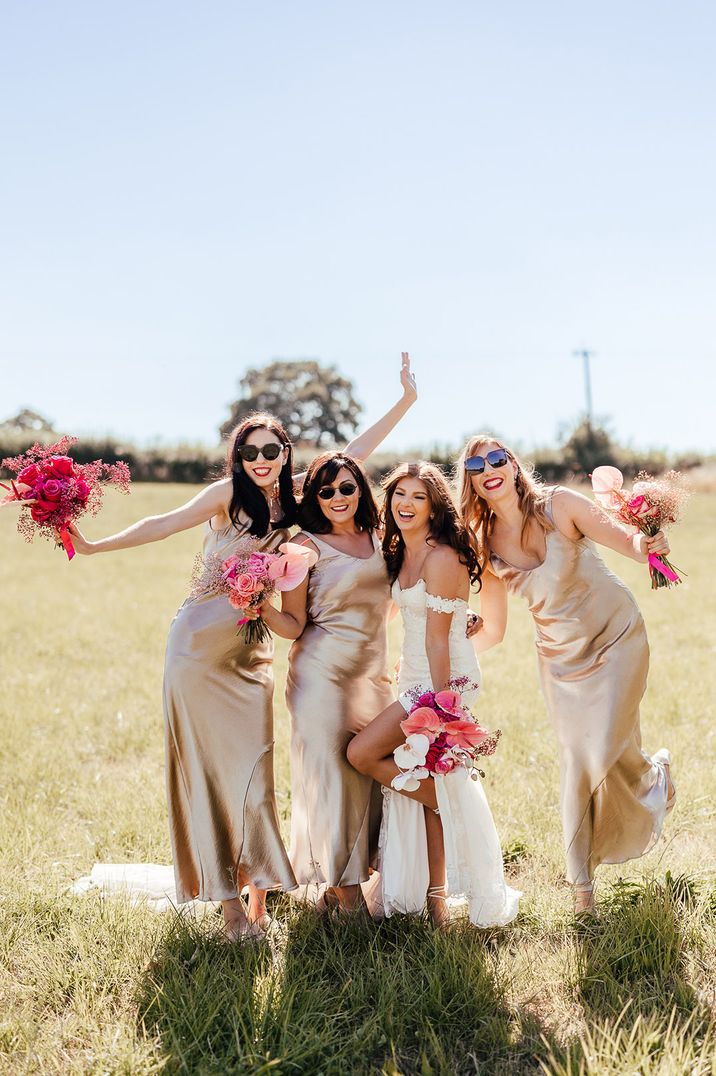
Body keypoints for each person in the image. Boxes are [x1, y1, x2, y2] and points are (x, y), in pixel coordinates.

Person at [63, 356, 418, 940]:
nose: (261, 461)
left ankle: (258, 894)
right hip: (199, 649)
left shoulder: (298, 496)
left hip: (252, 656)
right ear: (238, 457)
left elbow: (355, 453)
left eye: (271, 452)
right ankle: (232, 913)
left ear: (285, 457)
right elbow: (161, 522)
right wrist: (95, 546)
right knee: (210, 772)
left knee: (254, 776)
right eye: (250, 452)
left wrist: (404, 401)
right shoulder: (227, 495)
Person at [457, 435, 675, 913]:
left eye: (497, 458)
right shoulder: (483, 544)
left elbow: (629, 544)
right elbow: (493, 630)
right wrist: (443, 646)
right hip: (560, 661)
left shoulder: (560, 505)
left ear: (513, 466)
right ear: (471, 481)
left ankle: (656, 779)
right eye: (476, 465)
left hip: (616, 636)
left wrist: (649, 541)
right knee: (578, 761)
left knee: (604, 747)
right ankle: (582, 890)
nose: (489, 468)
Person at [347, 463, 520, 927]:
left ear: (434, 505)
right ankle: (436, 902)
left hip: (441, 681)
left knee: (362, 753)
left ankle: (446, 800)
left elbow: (438, 639)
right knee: (423, 784)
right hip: (416, 677)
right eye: (399, 494)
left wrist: (443, 709)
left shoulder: (442, 556)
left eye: (418, 497)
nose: (405, 504)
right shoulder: (398, 550)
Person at [260, 452, 393, 913]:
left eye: (347, 488)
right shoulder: (303, 547)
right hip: (322, 679)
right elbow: (294, 624)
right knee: (332, 779)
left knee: (371, 779)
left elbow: (391, 602)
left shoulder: (380, 538)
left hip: (374, 679)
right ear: (314, 498)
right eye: (326, 491)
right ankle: (345, 892)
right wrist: (254, 602)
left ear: (360, 489)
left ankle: (351, 884)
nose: (338, 497)